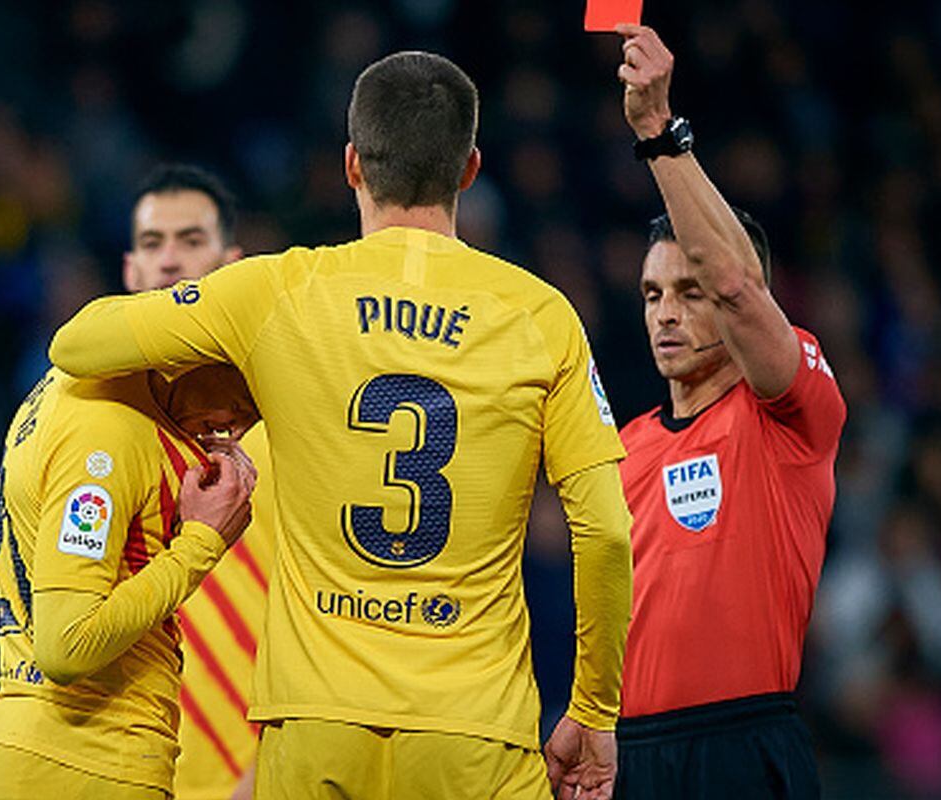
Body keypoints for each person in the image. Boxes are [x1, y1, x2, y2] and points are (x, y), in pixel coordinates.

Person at [50, 51, 634, 800]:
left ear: (353, 165)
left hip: (314, 723)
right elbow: (609, 531)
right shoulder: (541, 315)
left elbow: (77, 343)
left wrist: (234, 378)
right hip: (474, 730)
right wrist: (593, 708)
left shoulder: (278, 291)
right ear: (469, 169)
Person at [610, 24, 847, 799]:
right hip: (629, 752)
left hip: (742, 748)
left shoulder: (790, 414)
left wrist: (658, 135)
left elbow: (740, 287)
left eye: (690, 292)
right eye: (652, 295)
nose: (665, 315)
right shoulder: (625, 449)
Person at [0, 359, 260, 800]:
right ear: (189, 348)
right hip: (90, 757)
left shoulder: (82, 383)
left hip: (38, 747)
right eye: (244, 392)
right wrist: (202, 542)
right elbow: (67, 644)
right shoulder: (107, 433)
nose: (240, 425)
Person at [124, 163, 275, 800]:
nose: (169, 262)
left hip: (259, 778)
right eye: (153, 244)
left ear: (231, 264)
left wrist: (271, 771)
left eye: (190, 241)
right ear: (130, 271)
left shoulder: (284, 423)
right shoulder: (99, 428)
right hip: (124, 768)